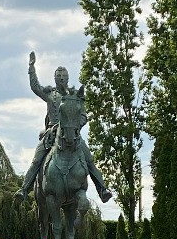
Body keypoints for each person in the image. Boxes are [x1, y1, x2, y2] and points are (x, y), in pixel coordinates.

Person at [14, 51, 112, 202]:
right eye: (58, 76)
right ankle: (24, 189)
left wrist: (75, 127)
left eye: (64, 76)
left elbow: (83, 116)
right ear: (54, 78)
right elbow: (35, 87)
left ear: (68, 78)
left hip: (72, 133)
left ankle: (102, 189)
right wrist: (31, 67)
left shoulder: (75, 95)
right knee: (36, 161)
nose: (61, 78)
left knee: (89, 160)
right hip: (51, 133)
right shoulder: (50, 94)